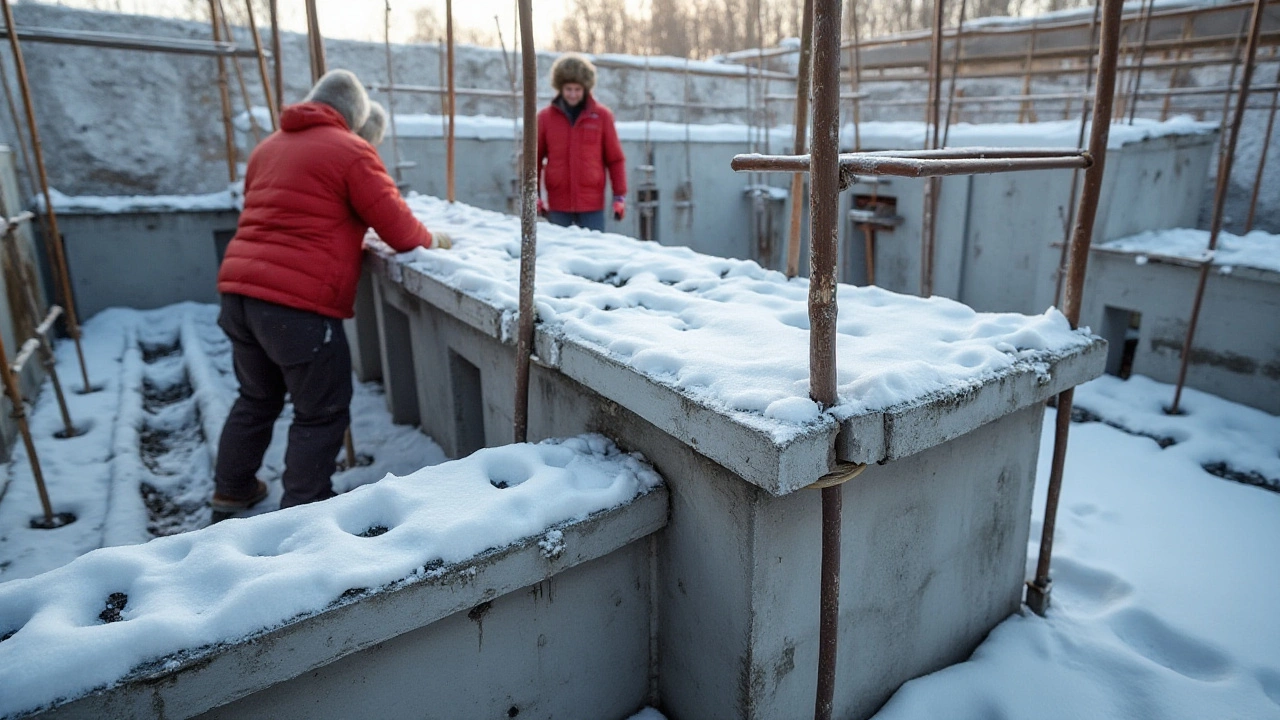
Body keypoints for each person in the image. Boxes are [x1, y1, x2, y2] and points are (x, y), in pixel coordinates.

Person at [212, 70, 450, 514]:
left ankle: (232, 489)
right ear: (355, 115)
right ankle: (305, 510)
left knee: (256, 397)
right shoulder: (352, 150)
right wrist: (433, 239)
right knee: (320, 412)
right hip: (296, 306)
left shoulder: (267, 148)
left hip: (239, 294)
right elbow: (398, 228)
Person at [536, 53, 627, 232]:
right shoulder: (545, 118)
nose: (573, 94)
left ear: (585, 88)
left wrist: (619, 197)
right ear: (560, 88)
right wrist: (535, 196)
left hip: (591, 205)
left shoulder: (602, 117)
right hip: (558, 204)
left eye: (577, 89)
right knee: (558, 252)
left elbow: (615, 159)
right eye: (568, 89)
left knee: (593, 255)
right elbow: (535, 159)